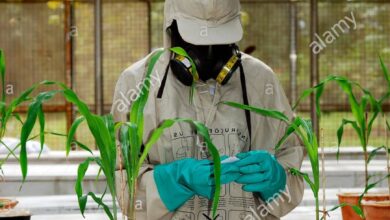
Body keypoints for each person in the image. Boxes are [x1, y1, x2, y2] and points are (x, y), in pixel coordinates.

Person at [111, 0, 305, 219]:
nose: (211, 54)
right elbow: (123, 186)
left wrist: (276, 181)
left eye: (221, 41)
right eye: (198, 43)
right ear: (170, 30)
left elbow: (292, 172)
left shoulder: (261, 80)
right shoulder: (137, 83)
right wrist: (175, 179)